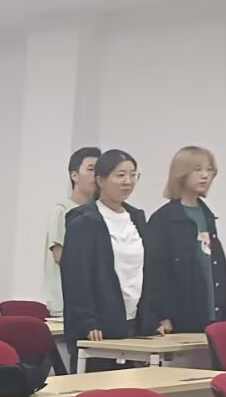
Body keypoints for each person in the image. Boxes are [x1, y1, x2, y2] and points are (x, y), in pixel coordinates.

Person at [61, 149, 162, 352]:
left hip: (137, 322)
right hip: (101, 325)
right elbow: (76, 277)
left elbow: (148, 270)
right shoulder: (83, 220)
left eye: (133, 175)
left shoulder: (137, 218)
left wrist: (155, 317)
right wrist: (88, 321)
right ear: (100, 180)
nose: (128, 181)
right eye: (120, 175)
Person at [144, 146, 226, 335]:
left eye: (209, 170)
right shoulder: (164, 219)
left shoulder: (207, 215)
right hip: (181, 318)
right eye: (198, 169)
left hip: (213, 316)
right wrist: (162, 315)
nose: (205, 176)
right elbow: (156, 272)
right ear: (181, 173)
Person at [45, 146, 99, 316]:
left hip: (95, 303)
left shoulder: (100, 213)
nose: (96, 175)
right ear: (74, 175)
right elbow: (60, 256)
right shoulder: (63, 211)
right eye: (91, 169)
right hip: (66, 304)